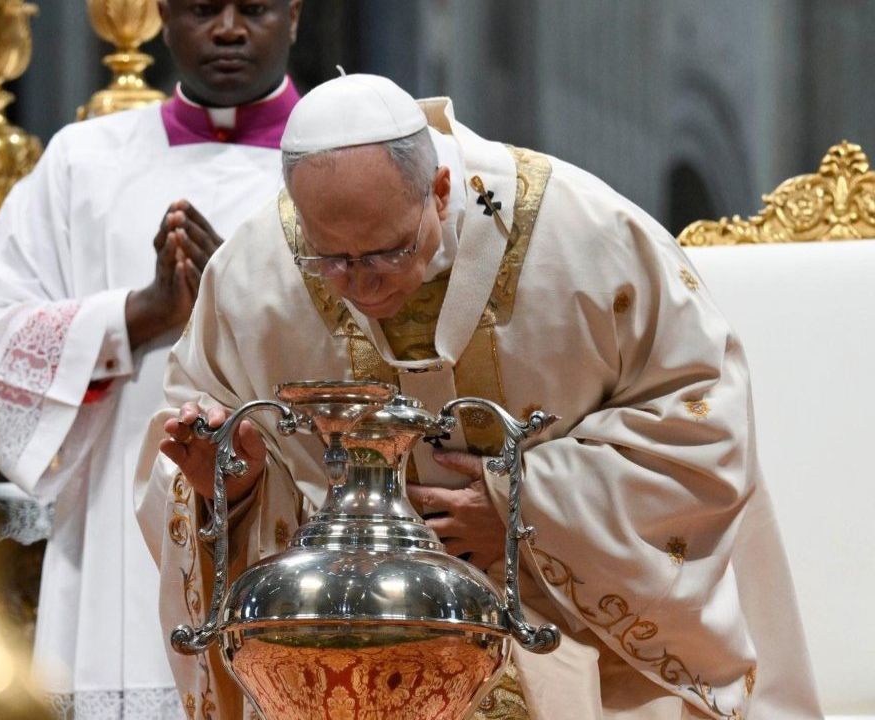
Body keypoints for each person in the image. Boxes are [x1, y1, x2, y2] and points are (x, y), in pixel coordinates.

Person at [136, 74, 822, 719]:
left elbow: (703, 421)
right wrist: (232, 479)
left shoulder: (588, 239)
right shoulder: (255, 275)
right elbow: (198, 434)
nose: (361, 285)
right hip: (355, 658)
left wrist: (527, 510)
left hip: (577, 641)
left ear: (438, 190)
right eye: (331, 260)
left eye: (385, 253)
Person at [0, 1, 303, 716]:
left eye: (255, 8)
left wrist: (234, 301)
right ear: (162, 14)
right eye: (203, 8)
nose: (229, 30)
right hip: (118, 528)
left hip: (294, 515)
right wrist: (139, 313)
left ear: (294, 14)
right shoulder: (84, 161)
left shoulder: (347, 158)